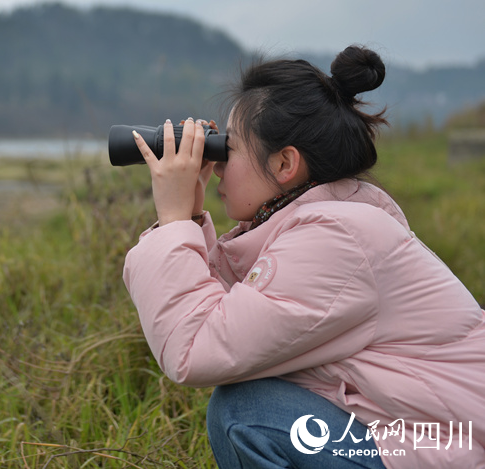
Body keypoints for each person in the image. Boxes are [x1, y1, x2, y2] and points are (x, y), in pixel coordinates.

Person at [122, 45, 485, 468]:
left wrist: (171, 220)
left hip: (452, 447)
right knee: (253, 404)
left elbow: (197, 348)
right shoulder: (324, 225)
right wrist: (189, 215)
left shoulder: (337, 240)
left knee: (247, 415)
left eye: (229, 150)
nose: (217, 166)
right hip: (425, 433)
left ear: (284, 163)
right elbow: (239, 318)